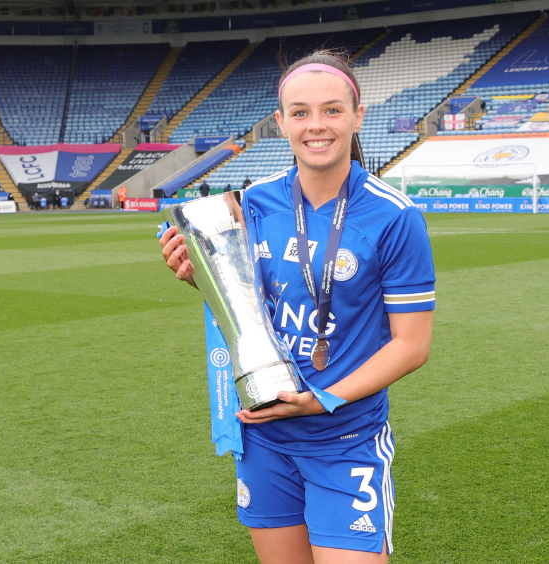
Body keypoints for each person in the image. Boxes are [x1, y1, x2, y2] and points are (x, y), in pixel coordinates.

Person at [160, 49, 435, 564]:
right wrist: (199, 273)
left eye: (333, 110)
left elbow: (411, 345)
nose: (317, 126)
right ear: (281, 121)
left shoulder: (396, 218)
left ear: (357, 116)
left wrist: (322, 398)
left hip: (344, 438)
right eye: (301, 112)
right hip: (264, 435)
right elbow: (244, 303)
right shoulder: (252, 203)